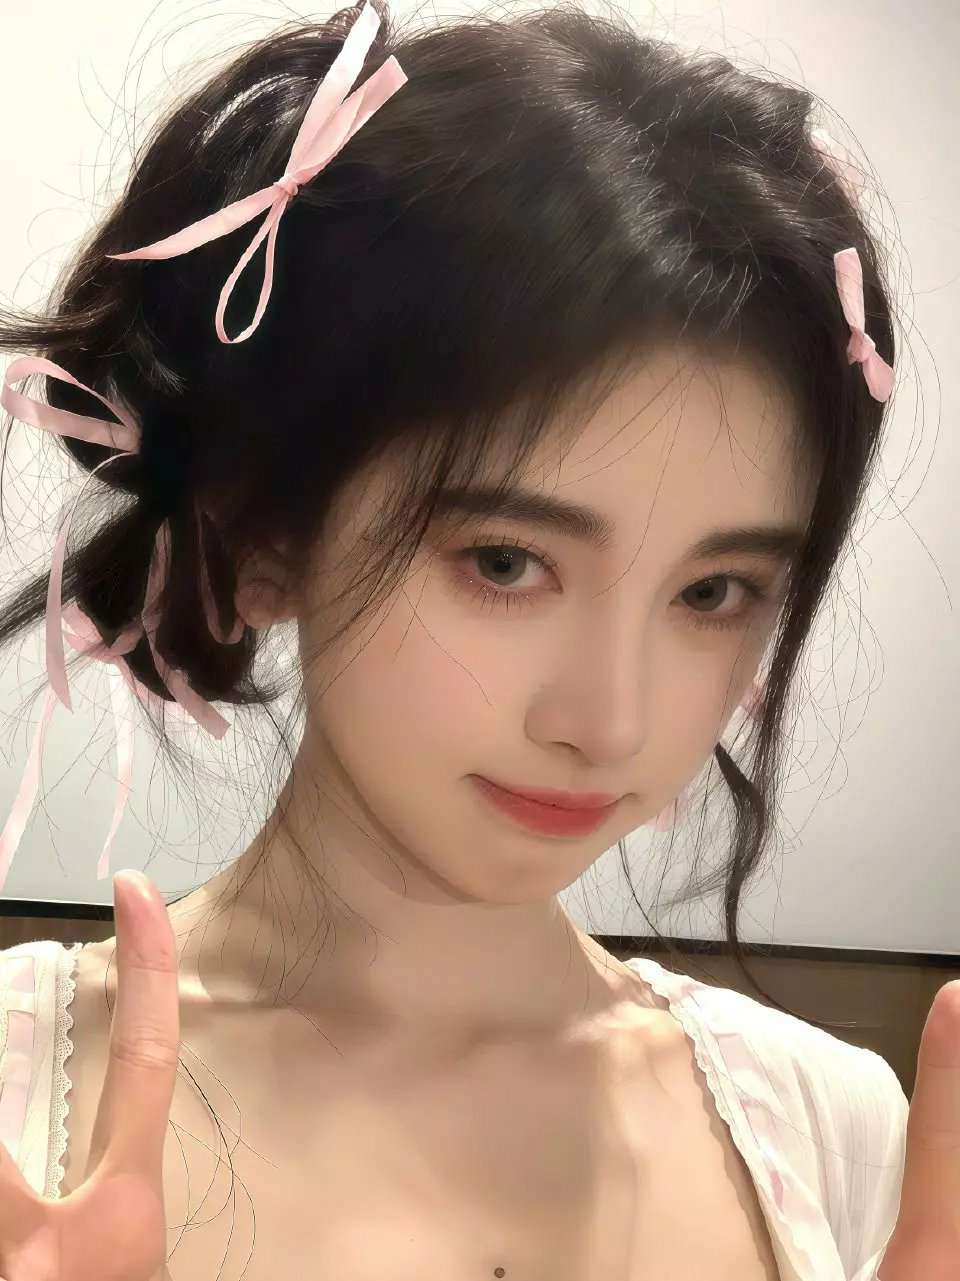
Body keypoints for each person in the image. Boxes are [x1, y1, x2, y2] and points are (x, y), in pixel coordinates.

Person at [0, 2, 955, 1278]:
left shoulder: (839, 1132)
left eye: (715, 591)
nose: (609, 724)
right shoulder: (22, 1106)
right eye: (506, 563)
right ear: (268, 531)